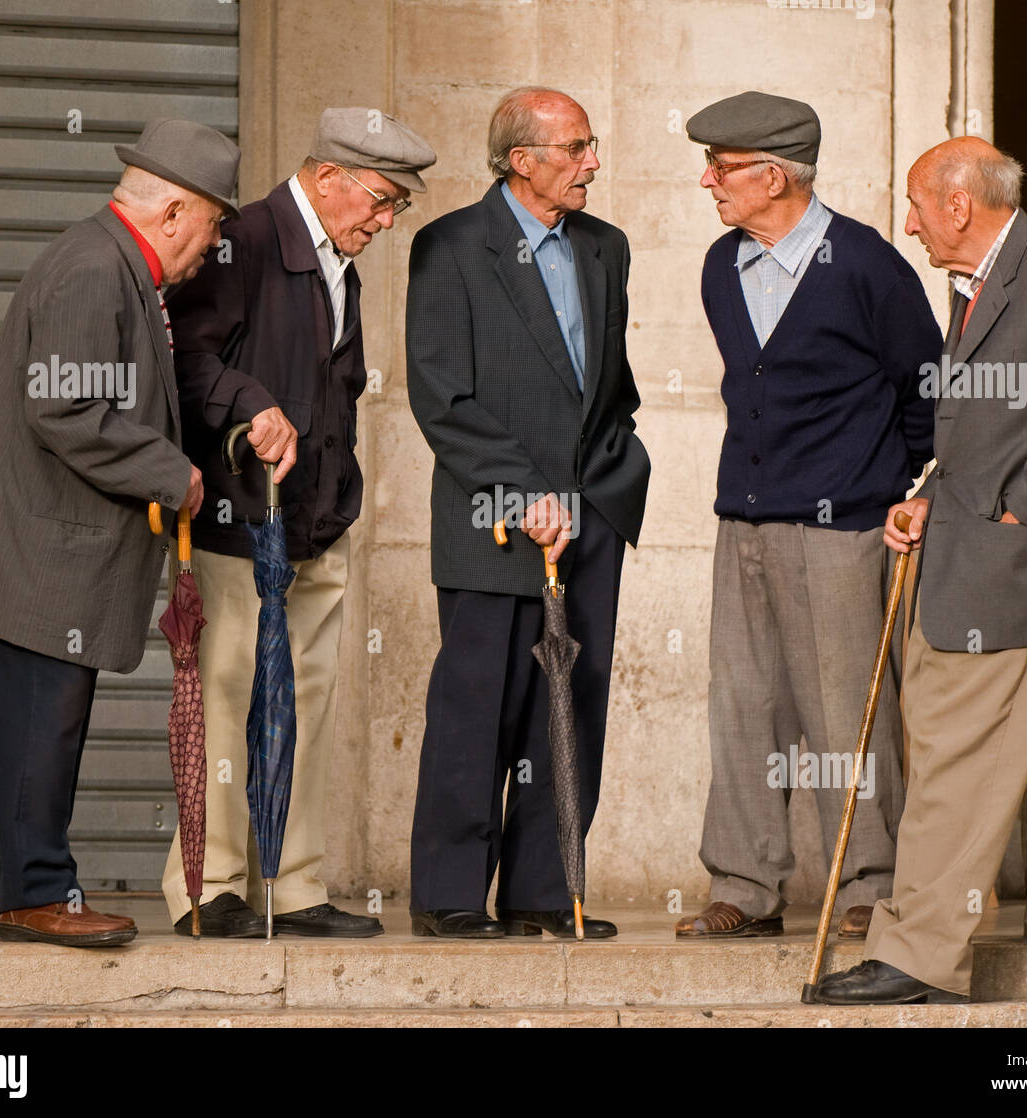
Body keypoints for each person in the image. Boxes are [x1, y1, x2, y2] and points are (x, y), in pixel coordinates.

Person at [812, 137, 1027, 1004]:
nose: (907, 223)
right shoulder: (980, 280)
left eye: (917, 205)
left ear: (959, 205)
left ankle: (918, 958)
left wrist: (1014, 511)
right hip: (958, 558)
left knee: (959, 766)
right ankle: (913, 942)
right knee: (941, 759)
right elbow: (993, 427)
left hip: (1014, 570)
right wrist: (932, 496)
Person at [0, 118, 239, 947]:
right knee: (39, 721)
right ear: (170, 213)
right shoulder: (95, 269)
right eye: (209, 226)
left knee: (38, 723)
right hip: (29, 551)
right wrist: (175, 474)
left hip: (37, 548)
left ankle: (12, 887)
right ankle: (37, 893)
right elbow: (63, 407)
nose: (210, 247)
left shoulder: (114, 266)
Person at [160, 109, 436, 938]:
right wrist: (250, 406)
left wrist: (340, 498)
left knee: (305, 705)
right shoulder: (241, 240)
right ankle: (208, 888)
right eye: (381, 201)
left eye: (397, 208)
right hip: (239, 526)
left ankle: (293, 882)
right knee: (228, 697)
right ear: (326, 179)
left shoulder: (335, 260)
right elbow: (183, 355)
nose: (385, 222)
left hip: (313, 526)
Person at [674, 92, 938, 942]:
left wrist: (901, 490)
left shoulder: (866, 264)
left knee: (841, 712)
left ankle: (866, 884)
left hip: (842, 530)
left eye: (721, 168)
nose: (707, 181)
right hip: (742, 522)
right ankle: (745, 888)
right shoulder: (722, 264)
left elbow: (925, 392)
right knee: (743, 706)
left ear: (774, 174)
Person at [406, 87, 650, 939]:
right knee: (482, 704)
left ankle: (547, 892)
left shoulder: (605, 247)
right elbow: (442, 397)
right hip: (494, 518)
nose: (593, 161)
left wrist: (614, 484)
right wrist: (522, 492)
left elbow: (606, 386)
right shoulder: (449, 248)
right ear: (523, 160)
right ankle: (451, 896)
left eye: (590, 144)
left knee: (572, 701)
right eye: (577, 146)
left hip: (592, 515)